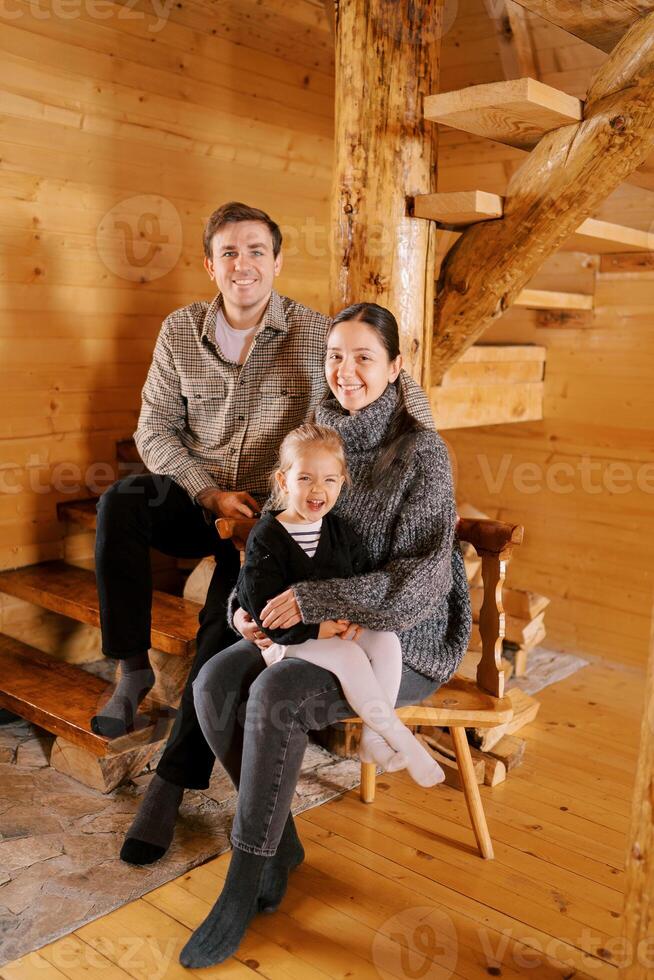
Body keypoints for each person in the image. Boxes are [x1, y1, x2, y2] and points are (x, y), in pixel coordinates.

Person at [90, 200, 434, 865]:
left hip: (271, 515)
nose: (242, 264)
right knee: (119, 503)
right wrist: (207, 490)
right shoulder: (180, 329)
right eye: (228, 252)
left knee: (231, 618)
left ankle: (170, 784)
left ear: (276, 262)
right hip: (203, 493)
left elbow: (398, 385)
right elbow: (153, 428)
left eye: (255, 252)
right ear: (210, 264)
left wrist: (420, 447)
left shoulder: (314, 331)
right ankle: (130, 668)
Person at [178, 302, 472, 969]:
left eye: (365, 357)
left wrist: (316, 597)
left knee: (275, 692)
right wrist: (243, 612)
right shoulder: (313, 432)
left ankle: (244, 878)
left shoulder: (422, 453)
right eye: (336, 355)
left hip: (406, 637)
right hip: (319, 630)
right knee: (216, 680)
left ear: (397, 367)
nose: (346, 371)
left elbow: (421, 586)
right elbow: (274, 535)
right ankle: (280, 843)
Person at [235, 420, 446, 786]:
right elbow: (260, 603)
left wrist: (358, 618)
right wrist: (317, 627)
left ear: (342, 482)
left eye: (329, 480)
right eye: (305, 479)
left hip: (337, 631)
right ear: (284, 482)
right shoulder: (267, 536)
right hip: (289, 640)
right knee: (349, 657)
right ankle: (401, 739)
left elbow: (360, 580)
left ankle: (372, 738)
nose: (318, 489)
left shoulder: (340, 533)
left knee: (386, 641)